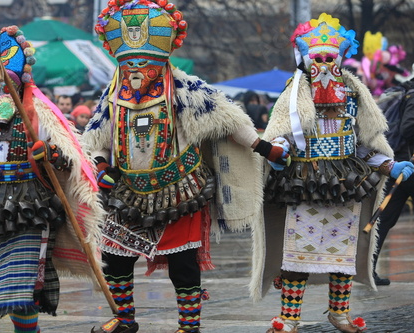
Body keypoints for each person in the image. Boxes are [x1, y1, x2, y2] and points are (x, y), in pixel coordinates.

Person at [82, 1, 289, 333]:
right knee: (116, 258)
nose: (136, 70)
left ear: (161, 60)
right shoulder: (112, 94)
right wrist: (103, 165)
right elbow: (97, 138)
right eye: (130, 63)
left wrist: (263, 147)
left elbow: (227, 118)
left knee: (183, 264)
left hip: (180, 190)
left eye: (144, 62)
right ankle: (124, 319)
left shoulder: (184, 88)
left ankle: (189, 325)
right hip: (127, 193)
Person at [0, 25, 104, 333]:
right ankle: (26, 329)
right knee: (2, 283)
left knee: (23, 281)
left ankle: (27, 329)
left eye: (6, 82)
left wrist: (48, 153)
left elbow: (67, 158)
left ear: (20, 81)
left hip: (29, 205)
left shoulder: (38, 115)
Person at [252, 13, 414, 333]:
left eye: (330, 58)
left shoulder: (354, 95)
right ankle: (289, 319)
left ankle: (339, 313)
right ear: (306, 59)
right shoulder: (294, 93)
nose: (324, 64)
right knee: (296, 256)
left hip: (346, 184)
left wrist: (388, 164)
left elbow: (361, 144)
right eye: (318, 58)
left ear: (340, 59)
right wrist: (277, 154)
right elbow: (281, 133)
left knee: (342, 253)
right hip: (303, 183)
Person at [372, 60, 414, 286]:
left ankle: (368, 268)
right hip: (411, 167)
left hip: (399, 165)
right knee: (384, 219)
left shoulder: (405, 93)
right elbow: (409, 128)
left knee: (384, 220)